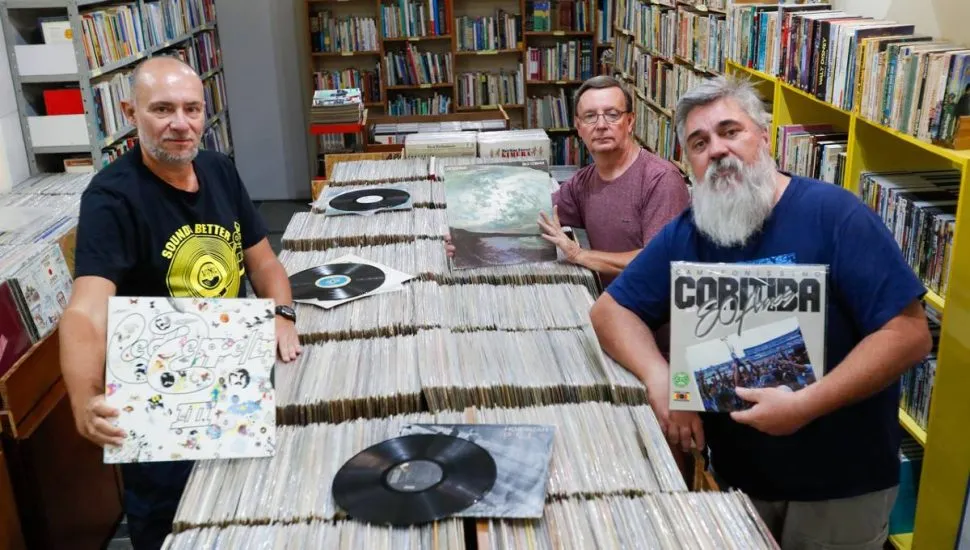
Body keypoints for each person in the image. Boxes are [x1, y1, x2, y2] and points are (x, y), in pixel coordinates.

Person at [590, 75, 932, 549]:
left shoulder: (835, 215)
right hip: (737, 483)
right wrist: (660, 377)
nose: (717, 150)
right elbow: (611, 310)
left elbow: (909, 335)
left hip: (839, 487)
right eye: (699, 142)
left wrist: (806, 405)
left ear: (763, 135)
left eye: (731, 131)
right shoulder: (691, 231)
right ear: (687, 161)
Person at [59, 56, 302, 550]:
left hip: (233, 374)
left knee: (248, 505)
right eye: (162, 109)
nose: (180, 123)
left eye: (192, 109)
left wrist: (281, 314)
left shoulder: (219, 169)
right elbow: (85, 309)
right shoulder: (111, 198)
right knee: (174, 525)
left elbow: (264, 265)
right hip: (163, 397)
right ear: (130, 112)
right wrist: (83, 395)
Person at [448, 75, 691, 285]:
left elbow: (658, 263)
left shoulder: (661, 180)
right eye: (590, 117)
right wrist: (468, 236)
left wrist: (577, 254)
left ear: (629, 122)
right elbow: (532, 215)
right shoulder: (583, 182)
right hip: (608, 303)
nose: (601, 125)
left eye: (612, 115)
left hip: (651, 322)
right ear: (578, 126)